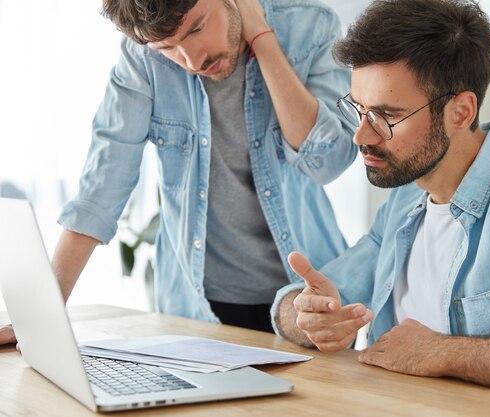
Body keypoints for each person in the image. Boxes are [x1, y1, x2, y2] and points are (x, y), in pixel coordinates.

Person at [272, 0, 490, 409]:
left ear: (460, 111)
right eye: (359, 110)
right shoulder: (406, 199)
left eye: (387, 116)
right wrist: (304, 315)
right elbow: (313, 295)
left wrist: (443, 352)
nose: (362, 137)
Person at [0, 0, 356, 344]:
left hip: (307, 305)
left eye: (198, 28)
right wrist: (40, 316)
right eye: (167, 47)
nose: (192, 60)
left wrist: (263, 38)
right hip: (196, 311)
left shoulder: (310, 26)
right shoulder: (142, 58)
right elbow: (101, 188)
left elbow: (327, 163)